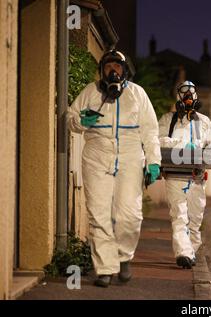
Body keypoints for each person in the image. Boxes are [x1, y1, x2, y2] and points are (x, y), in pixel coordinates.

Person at [66, 50, 161, 287]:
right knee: (99, 214)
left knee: (129, 215)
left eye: (117, 67)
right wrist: (80, 121)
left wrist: (153, 161)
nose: (112, 71)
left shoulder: (137, 94)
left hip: (130, 156)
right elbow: (69, 116)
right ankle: (105, 269)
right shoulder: (90, 92)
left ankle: (124, 257)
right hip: (97, 155)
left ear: (124, 70)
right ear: (101, 70)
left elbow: (150, 131)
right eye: (108, 67)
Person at [158, 80, 211, 269]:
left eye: (191, 94)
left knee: (195, 218)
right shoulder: (168, 120)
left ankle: (191, 251)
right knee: (179, 215)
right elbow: (158, 141)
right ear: (178, 98)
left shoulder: (203, 121)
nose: (188, 98)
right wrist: (182, 145)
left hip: (197, 177)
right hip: (175, 176)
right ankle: (183, 253)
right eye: (184, 94)